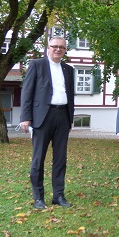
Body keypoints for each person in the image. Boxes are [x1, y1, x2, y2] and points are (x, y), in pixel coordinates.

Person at [20, 36, 75, 209]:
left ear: (65, 50)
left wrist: (70, 118)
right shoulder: (37, 65)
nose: (58, 49)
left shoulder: (68, 69)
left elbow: (71, 95)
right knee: (38, 159)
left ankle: (58, 196)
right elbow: (27, 92)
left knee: (60, 159)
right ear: (48, 48)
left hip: (63, 116)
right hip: (42, 117)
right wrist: (25, 117)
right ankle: (38, 198)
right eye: (55, 46)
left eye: (62, 47)